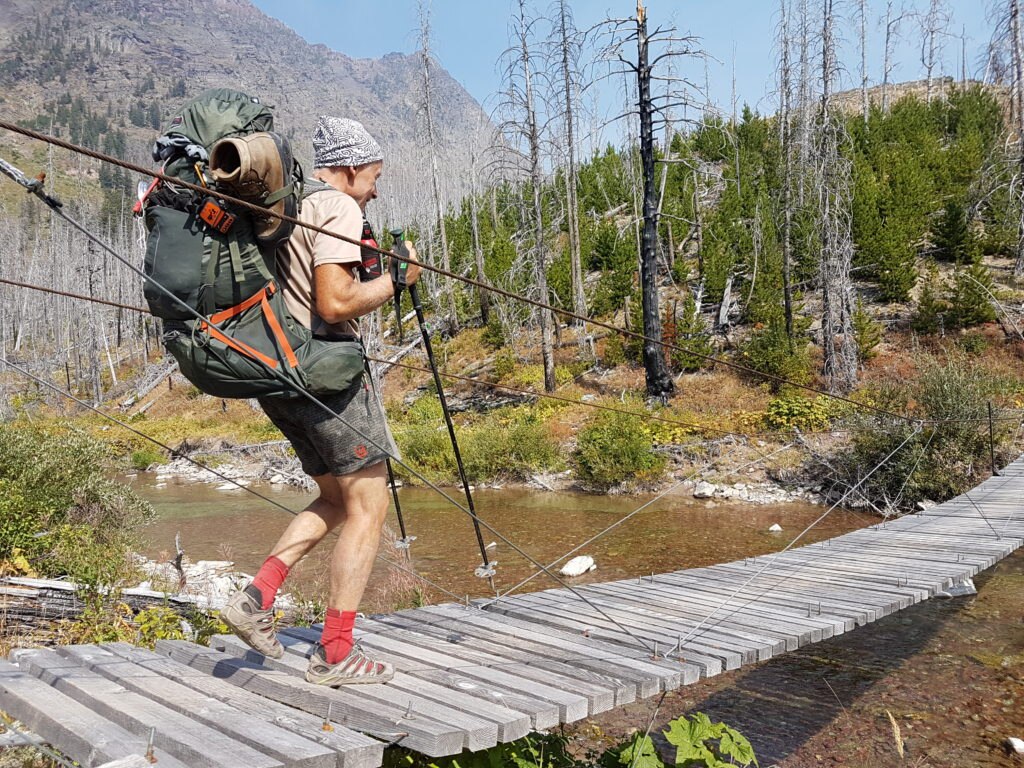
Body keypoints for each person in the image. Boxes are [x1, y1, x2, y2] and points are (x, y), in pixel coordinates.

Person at [222, 116, 421, 686]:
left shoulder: (294, 206)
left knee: (335, 499)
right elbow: (334, 304)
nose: (377, 188)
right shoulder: (338, 207)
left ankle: (255, 600)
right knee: (369, 507)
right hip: (325, 374)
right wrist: (396, 281)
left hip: (280, 376)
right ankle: (336, 654)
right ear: (353, 167)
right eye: (375, 176)